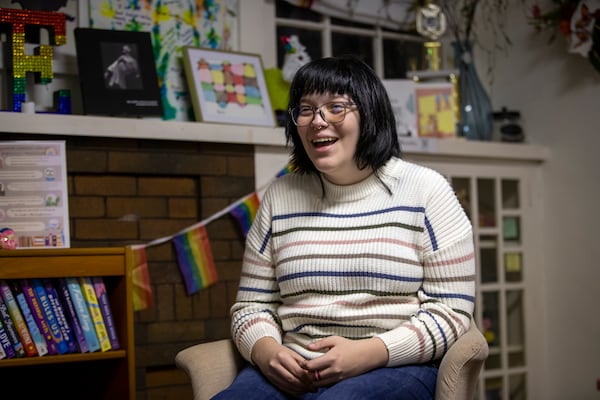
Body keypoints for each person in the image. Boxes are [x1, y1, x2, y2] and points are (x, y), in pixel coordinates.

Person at [213, 55, 476, 400]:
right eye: (305, 110)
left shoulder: (427, 190)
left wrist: (371, 352)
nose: (317, 121)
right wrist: (267, 351)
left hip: (395, 367)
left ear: (370, 114)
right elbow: (252, 306)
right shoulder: (280, 196)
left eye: (336, 107)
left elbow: (453, 311)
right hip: (294, 369)